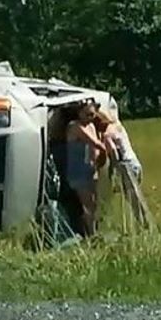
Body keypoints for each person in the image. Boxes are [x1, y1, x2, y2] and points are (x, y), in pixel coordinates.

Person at [65, 100, 108, 236]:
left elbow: (96, 149)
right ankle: (91, 235)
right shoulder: (74, 126)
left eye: (92, 115)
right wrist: (106, 153)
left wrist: (98, 162)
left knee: (94, 205)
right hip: (78, 173)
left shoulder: (91, 126)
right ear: (79, 112)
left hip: (90, 170)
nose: (90, 118)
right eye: (87, 114)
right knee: (88, 205)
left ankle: (92, 232)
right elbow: (95, 143)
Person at [94, 108, 142, 183]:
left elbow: (113, 150)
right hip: (134, 161)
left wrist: (114, 168)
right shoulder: (117, 127)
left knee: (128, 189)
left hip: (126, 165)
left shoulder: (107, 134)